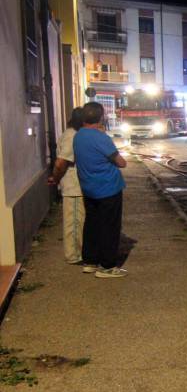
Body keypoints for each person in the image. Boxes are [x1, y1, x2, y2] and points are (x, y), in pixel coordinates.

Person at [74, 102, 128, 278]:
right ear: (100, 117)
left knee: (91, 224)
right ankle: (107, 266)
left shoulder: (79, 136)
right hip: (108, 188)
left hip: (88, 188)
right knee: (110, 227)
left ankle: (90, 261)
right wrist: (105, 137)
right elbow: (121, 162)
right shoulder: (101, 138)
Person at [47, 108, 86, 264]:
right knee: (74, 221)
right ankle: (74, 255)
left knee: (77, 221)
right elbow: (61, 162)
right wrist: (55, 178)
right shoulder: (71, 136)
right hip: (73, 186)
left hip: (75, 186)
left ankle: (77, 252)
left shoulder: (71, 133)